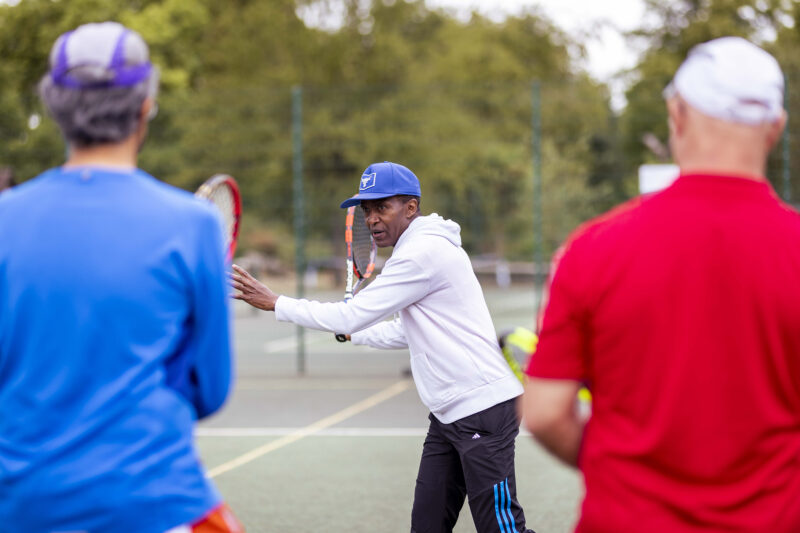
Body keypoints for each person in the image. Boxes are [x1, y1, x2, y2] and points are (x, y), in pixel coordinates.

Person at [522, 36, 800, 532]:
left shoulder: (594, 247)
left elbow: (544, 413)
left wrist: (620, 474)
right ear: (775, 128)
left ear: (678, 115)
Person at [0, 23, 242, 532]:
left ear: (53, 104)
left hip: (23, 506)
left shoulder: (6, 219)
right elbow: (210, 388)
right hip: (154, 501)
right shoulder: (193, 225)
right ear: (145, 105)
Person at [232, 161, 535, 533]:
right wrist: (354, 333)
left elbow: (350, 316)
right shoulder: (418, 247)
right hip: (447, 415)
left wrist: (276, 302)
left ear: (410, 207)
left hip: (482, 410)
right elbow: (405, 333)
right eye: (367, 210)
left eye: (382, 207)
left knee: (501, 530)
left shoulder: (420, 253)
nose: (373, 218)